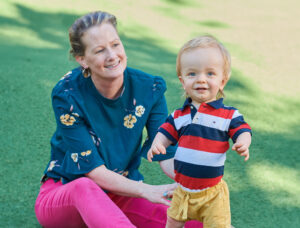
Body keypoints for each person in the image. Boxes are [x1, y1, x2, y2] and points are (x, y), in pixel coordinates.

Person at [34, 11, 203, 228]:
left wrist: (198, 180)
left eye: (115, 44)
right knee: (84, 185)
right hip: (66, 194)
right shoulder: (67, 94)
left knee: (197, 222)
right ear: (82, 60)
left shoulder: (150, 89)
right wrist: (147, 190)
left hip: (121, 193)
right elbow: (93, 171)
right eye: (100, 50)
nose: (112, 55)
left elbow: (166, 153)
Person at [147, 35, 252, 228]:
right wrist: (158, 143)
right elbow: (165, 132)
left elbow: (243, 129)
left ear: (222, 81)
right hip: (182, 191)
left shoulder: (228, 115)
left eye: (210, 74)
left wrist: (243, 142)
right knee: (172, 221)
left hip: (212, 194)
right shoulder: (179, 115)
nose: (201, 80)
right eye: (192, 74)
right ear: (183, 81)